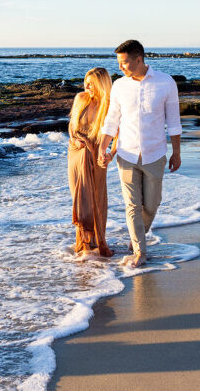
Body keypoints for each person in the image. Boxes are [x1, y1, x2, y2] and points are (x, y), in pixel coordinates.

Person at [97, 40, 182, 267]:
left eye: (124, 63)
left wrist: (177, 153)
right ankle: (139, 252)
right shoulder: (119, 86)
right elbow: (111, 120)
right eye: (119, 63)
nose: (121, 67)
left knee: (152, 205)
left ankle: (137, 239)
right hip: (126, 153)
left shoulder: (166, 82)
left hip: (155, 153)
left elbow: (174, 121)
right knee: (132, 206)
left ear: (138, 59)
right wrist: (102, 147)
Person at [68, 67, 116, 258]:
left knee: (96, 196)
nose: (87, 87)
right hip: (76, 151)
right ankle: (84, 244)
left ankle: (98, 240)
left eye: (91, 84)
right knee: (79, 196)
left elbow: (117, 134)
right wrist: (75, 140)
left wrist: (110, 153)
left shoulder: (110, 105)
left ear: (101, 84)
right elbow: (72, 127)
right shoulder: (81, 98)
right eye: (85, 83)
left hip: (97, 153)